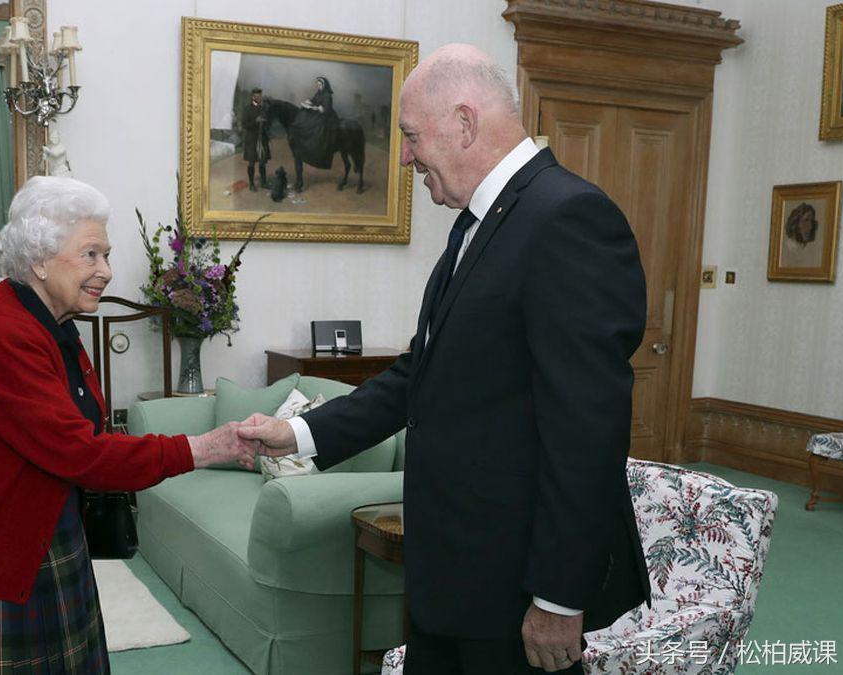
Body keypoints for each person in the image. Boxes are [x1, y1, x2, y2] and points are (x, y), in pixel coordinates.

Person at [240, 44, 650, 674]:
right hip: (453, 578)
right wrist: (295, 433)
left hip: (514, 589)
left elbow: (587, 429)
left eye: (409, 136)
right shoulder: (476, 223)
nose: (402, 156)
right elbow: (418, 376)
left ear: (463, 122)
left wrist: (558, 596)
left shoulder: (568, 219)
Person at [0, 176, 261, 673]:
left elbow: (88, 436)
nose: (107, 271)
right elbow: (82, 453)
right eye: (91, 254)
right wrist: (204, 447)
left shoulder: (51, 325)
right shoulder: (0, 334)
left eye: (107, 255)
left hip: (41, 533)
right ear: (39, 257)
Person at [295, 76, 339, 169]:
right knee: (305, 116)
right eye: (317, 84)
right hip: (319, 113)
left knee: (318, 127)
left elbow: (325, 109)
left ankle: (317, 149)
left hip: (327, 116)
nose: (318, 86)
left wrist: (312, 108)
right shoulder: (319, 93)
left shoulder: (327, 95)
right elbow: (314, 100)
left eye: (319, 84)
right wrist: (307, 102)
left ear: (324, 85)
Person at [242, 88, 271, 191]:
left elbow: (267, 123)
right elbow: (244, 125)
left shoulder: (263, 108)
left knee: (262, 161)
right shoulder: (247, 109)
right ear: (252, 97)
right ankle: (251, 184)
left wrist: (266, 124)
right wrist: (256, 121)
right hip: (251, 140)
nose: (259, 98)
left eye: (260, 96)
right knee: (252, 162)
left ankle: (263, 182)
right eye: (256, 96)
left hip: (262, 139)